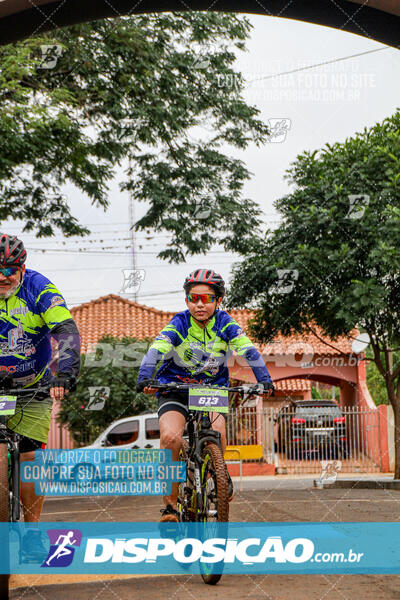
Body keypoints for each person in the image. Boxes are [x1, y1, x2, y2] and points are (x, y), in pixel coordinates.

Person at [136, 268, 274, 522]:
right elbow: (157, 348)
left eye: (207, 298)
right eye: (193, 298)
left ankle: (219, 475)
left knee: (218, 432)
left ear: (218, 300)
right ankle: (169, 508)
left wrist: (264, 379)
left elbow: (249, 351)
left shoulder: (226, 323)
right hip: (174, 389)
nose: (199, 304)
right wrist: (145, 374)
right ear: (187, 300)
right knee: (170, 438)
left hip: (208, 390)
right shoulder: (179, 323)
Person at [0, 233, 81, 559]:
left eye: (9, 269)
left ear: (22, 267)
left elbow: (66, 331)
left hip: (33, 383)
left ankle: (32, 532)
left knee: (31, 460)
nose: (2, 277)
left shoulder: (40, 289)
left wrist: (66, 372)